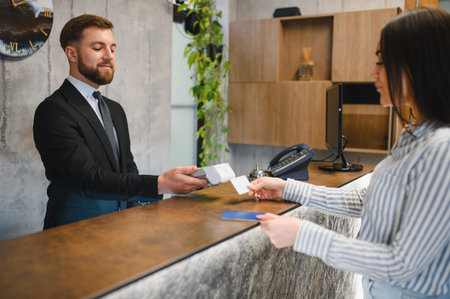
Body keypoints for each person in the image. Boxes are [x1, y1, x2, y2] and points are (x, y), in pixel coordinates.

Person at [248, 7, 449, 299]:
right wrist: (288, 188)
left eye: (382, 62)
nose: (373, 73)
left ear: (419, 66)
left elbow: (401, 264)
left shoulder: (442, 150)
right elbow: (365, 202)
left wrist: (302, 235)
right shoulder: (413, 135)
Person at [33, 14, 208, 229]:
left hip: (119, 228)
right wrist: (160, 184)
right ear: (72, 53)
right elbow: (89, 179)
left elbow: (127, 168)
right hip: (72, 232)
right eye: (98, 48)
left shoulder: (114, 109)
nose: (109, 56)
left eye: (112, 49)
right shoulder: (53, 110)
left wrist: (141, 214)